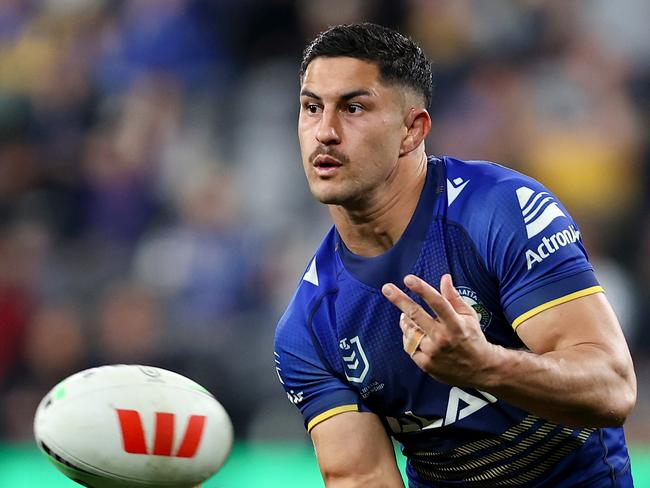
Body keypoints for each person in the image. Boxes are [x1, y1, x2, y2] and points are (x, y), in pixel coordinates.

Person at [273, 22, 636, 488]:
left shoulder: (502, 210)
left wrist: (486, 364)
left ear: (412, 129)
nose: (324, 132)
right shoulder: (307, 329)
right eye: (311, 108)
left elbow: (613, 387)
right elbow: (362, 477)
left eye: (354, 107)